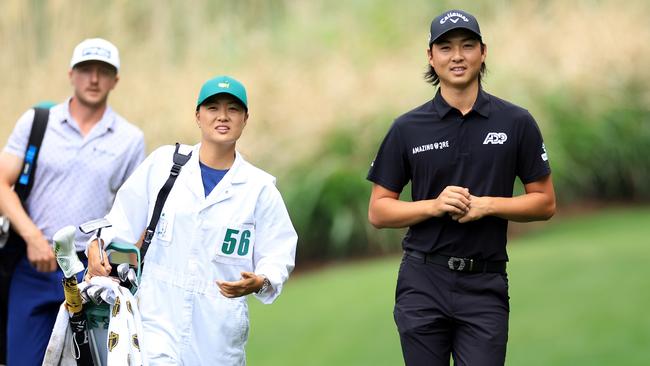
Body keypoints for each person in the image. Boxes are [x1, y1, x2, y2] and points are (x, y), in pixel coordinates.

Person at [367, 9, 556, 366]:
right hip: (423, 281)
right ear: (431, 56)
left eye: (467, 46)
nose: (457, 56)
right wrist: (433, 206)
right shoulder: (407, 128)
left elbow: (545, 202)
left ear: (483, 52)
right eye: (446, 47)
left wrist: (488, 206)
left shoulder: (516, 122)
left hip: (484, 284)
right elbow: (378, 210)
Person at [86, 75, 297, 364]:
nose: (223, 116)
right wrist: (98, 245)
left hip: (218, 330)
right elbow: (121, 218)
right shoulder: (164, 165)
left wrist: (260, 281)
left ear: (246, 119)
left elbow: (279, 251)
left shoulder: (259, 189)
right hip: (157, 317)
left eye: (233, 109)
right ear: (198, 116)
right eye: (212, 108)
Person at [0, 38, 145, 365]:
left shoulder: (130, 139)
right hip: (35, 265)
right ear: (71, 74)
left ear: (115, 80)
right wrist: (33, 238)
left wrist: (115, 263)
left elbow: (134, 211)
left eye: (103, 72)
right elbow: (2, 183)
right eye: (86, 70)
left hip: (91, 273)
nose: (94, 79)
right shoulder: (38, 122)